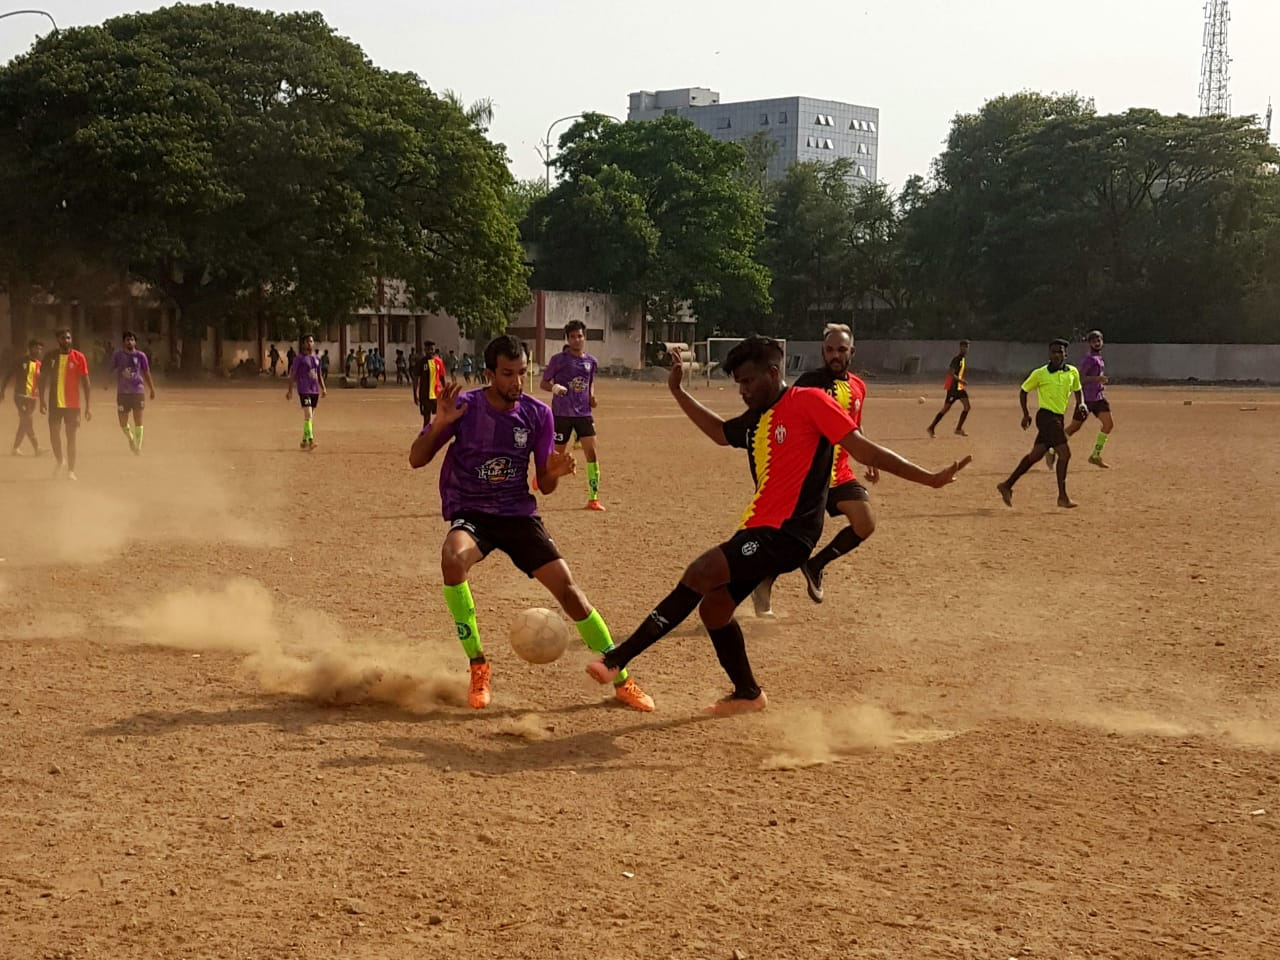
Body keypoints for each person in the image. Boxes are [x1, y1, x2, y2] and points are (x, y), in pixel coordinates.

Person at [584, 337, 971, 716]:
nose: (743, 390)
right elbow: (720, 433)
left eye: (749, 381)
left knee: (701, 572)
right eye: (739, 384)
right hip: (756, 528)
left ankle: (618, 658)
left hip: (788, 534)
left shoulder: (808, 401)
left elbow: (863, 449)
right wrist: (678, 392)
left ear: (773, 372)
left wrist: (930, 478)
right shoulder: (758, 418)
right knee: (715, 610)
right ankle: (748, 693)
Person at [409, 335, 654, 713]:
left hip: (517, 515)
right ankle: (478, 664)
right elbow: (416, 459)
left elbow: (546, 484)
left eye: (523, 372)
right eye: (508, 374)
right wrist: (438, 424)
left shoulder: (538, 414)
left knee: (570, 593)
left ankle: (620, 675)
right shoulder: (464, 407)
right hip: (473, 514)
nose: (517, 382)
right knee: (452, 560)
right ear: (489, 373)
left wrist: (553, 471)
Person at [751, 324, 875, 616]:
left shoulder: (858, 387)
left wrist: (868, 455)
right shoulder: (809, 384)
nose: (835, 355)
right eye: (830, 350)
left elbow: (854, 426)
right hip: (808, 477)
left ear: (851, 352)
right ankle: (763, 585)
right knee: (792, 542)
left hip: (840, 472)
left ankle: (816, 566)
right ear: (823, 352)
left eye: (841, 350)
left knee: (865, 522)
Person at [996, 339, 1085, 510]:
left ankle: (1006, 485)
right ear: (1049, 354)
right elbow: (1024, 391)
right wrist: (1025, 414)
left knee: (1035, 455)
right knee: (1065, 454)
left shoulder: (1072, 372)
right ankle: (1062, 497)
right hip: (1045, 417)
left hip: (1059, 418)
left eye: (1060, 351)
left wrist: (1081, 403)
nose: (1057, 355)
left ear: (1065, 354)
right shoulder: (1040, 373)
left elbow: (1078, 389)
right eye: (1054, 352)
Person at [540, 319, 604, 511]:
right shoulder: (558, 360)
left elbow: (589, 382)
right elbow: (544, 383)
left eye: (580, 336)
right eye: (573, 337)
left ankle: (593, 498)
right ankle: (541, 480)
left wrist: (592, 396)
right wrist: (554, 388)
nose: (577, 340)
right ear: (567, 339)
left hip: (584, 414)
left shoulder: (591, 362)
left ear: (585, 337)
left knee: (592, 454)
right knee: (557, 456)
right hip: (561, 414)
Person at [39, 328, 92, 480]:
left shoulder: (79, 357)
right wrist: (41, 400)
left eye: (68, 338)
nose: (66, 341)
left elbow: (86, 383)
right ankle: (60, 460)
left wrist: (88, 406)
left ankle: (71, 470)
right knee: (54, 435)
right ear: (58, 340)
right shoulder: (50, 357)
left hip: (72, 405)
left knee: (71, 437)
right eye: (63, 338)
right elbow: (42, 379)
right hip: (54, 403)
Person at [1062, 329, 1113, 469]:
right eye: (1094, 341)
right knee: (1074, 427)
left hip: (1099, 398)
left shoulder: (1099, 358)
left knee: (1108, 425)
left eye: (1099, 340)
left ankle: (1095, 456)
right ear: (1089, 343)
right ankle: (1052, 447)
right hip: (1087, 399)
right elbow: (1080, 378)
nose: (1097, 343)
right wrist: (1097, 379)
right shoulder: (1089, 359)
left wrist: (1099, 382)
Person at [109, 330, 156, 454]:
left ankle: (138, 447)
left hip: (137, 391)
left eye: (132, 339)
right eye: (127, 340)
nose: (130, 342)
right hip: (123, 392)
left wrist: (151, 388)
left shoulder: (141, 356)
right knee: (123, 422)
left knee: (138, 419)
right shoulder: (118, 355)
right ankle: (130, 439)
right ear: (123, 342)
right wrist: (107, 382)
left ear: (135, 342)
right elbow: (111, 370)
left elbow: (146, 372)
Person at [0, 338, 43, 456]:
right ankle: (37, 447)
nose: (38, 350)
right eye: (36, 348)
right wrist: (2, 391)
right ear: (30, 348)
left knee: (24, 423)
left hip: (32, 398)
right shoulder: (20, 361)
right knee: (27, 420)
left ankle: (15, 448)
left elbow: (39, 381)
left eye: (40, 348)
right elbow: (8, 375)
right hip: (20, 396)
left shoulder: (39, 364)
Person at [284, 334, 327, 450]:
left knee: (309, 417)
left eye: (311, 341)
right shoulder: (299, 359)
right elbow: (293, 375)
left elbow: (319, 375)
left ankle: (304, 440)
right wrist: (290, 391)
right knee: (308, 414)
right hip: (304, 389)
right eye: (307, 341)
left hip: (314, 391)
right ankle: (311, 440)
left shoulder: (317, 358)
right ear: (303, 344)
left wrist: (323, 388)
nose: (310, 343)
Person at [927, 339, 971, 437]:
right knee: (946, 408)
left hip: (958, 387)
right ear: (961, 347)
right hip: (953, 388)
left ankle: (958, 429)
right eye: (965, 347)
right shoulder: (957, 359)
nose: (966, 349)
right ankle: (931, 427)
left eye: (967, 347)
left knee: (967, 407)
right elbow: (950, 373)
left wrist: (960, 382)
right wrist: (960, 381)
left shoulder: (963, 359)